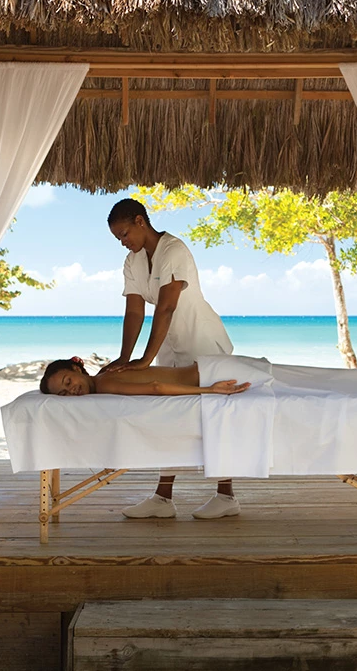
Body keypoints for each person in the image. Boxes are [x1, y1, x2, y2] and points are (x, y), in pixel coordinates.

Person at [100, 198, 239, 520]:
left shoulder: (173, 250)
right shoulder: (133, 261)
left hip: (201, 340)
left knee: (214, 417)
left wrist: (145, 360)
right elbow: (134, 311)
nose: (123, 242)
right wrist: (124, 358)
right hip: (168, 345)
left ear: (140, 221)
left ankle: (227, 496)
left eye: (124, 234)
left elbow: (166, 306)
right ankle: (163, 499)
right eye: (118, 238)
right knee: (169, 416)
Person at [39, 357, 251, 397]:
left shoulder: (106, 383)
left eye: (68, 382)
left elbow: (156, 387)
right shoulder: (106, 373)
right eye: (64, 393)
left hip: (213, 375)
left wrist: (210, 389)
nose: (72, 390)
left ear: (76, 369)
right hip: (207, 369)